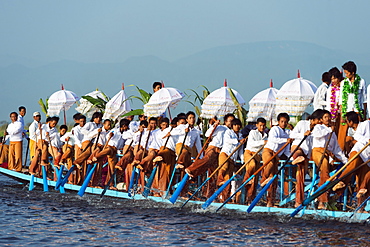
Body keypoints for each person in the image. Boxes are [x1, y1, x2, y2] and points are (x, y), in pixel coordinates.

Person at [185, 114, 234, 197]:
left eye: (233, 121)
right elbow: (207, 134)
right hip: (213, 147)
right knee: (207, 159)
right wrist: (214, 125)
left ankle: (210, 195)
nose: (231, 123)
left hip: (221, 153)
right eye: (230, 121)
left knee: (214, 174)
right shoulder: (220, 127)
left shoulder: (232, 132)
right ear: (225, 121)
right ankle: (191, 169)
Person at [311, 110, 347, 209]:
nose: (328, 119)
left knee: (324, 173)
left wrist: (346, 161)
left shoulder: (333, 134)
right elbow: (317, 135)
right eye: (325, 117)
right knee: (325, 167)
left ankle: (322, 201)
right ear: (321, 120)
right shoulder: (318, 127)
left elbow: (337, 150)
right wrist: (329, 130)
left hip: (327, 154)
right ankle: (332, 183)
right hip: (317, 152)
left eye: (329, 117)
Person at [333, 112, 370, 208]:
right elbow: (357, 136)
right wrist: (367, 140)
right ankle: (341, 182)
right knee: (352, 167)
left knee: (362, 182)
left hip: (367, 157)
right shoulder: (366, 124)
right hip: (358, 151)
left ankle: (360, 208)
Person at [289, 110, 321, 207]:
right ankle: (297, 158)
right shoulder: (302, 123)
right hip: (298, 147)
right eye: (318, 120)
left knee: (301, 178)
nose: (320, 123)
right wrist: (303, 135)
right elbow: (292, 135)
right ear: (313, 119)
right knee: (297, 152)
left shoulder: (318, 130)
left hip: (306, 155)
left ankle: (298, 201)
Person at [261, 112, 291, 207]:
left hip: (277, 156)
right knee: (269, 165)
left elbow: (286, 150)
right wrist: (285, 140)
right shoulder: (275, 129)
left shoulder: (287, 133)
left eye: (285, 122)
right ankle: (263, 180)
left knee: (274, 178)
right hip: (269, 151)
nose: (284, 123)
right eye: (282, 121)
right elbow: (273, 140)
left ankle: (270, 201)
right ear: (278, 122)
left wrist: (291, 158)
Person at [338, 61, 367, 150]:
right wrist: (342, 113)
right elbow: (341, 100)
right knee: (343, 134)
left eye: (347, 73)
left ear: (353, 73)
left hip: (357, 111)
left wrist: (364, 113)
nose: (346, 75)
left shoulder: (361, 82)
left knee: (358, 133)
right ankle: (341, 153)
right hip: (347, 111)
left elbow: (364, 98)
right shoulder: (343, 83)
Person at [217, 118, 245, 202]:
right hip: (225, 154)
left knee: (228, 178)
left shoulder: (240, 136)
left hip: (232, 158)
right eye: (235, 125)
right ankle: (219, 181)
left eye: (238, 125)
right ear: (232, 126)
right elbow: (229, 141)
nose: (237, 127)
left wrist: (243, 160)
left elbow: (240, 150)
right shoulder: (228, 132)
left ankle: (225, 198)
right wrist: (238, 141)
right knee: (224, 167)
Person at [242, 117, 268, 205]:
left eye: (264, 126)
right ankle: (246, 180)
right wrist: (262, 142)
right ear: (257, 125)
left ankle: (250, 199)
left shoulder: (265, 135)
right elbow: (252, 144)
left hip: (257, 156)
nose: (262, 127)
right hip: (249, 153)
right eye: (260, 126)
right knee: (251, 165)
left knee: (255, 179)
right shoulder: (252, 132)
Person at [327, 67, 343, 136]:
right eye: (332, 79)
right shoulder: (330, 88)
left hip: (342, 112)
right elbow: (329, 102)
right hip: (333, 114)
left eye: (334, 78)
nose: (333, 81)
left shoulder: (344, 85)